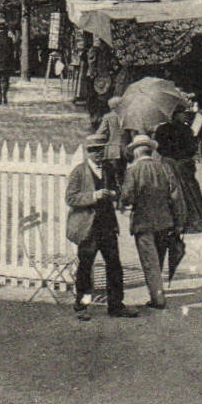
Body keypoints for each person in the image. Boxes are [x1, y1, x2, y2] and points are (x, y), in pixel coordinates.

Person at [66, 134, 140, 320]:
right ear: (87, 152)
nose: (98, 154)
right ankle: (82, 306)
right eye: (93, 150)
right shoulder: (79, 172)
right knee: (85, 267)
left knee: (114, 266)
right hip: (88, 228)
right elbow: (70, 198)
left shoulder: (108, 169)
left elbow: (118, 189)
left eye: (100, 149)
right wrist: (94, 196)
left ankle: (115, 305)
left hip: (107, 226)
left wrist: (114, 194)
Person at [118, 133, 184, 310]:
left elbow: (127, 196)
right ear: (150, 151)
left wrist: (123, 202)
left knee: (149, 261)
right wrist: (178, 221)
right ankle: (157, 292)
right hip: (164, 221)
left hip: (143, 222)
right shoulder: (164, 168)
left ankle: (158, 298)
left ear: (136, 152)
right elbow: (176, 196)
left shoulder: (133, 171)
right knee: (159, 258)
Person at [153, 100, 202, 239]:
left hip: (169, 165)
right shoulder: (185, 129)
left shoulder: (161, 129)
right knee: (190, 193)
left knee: (174, 194)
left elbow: (159, 148)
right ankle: (195, 221)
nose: (185, 116)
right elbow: (192, 148)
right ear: (175, 114)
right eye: (183, 113)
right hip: (183, 165)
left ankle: (177, 222)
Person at [90, 95, 126, 191]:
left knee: (110, 175)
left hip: (112, 149)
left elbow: (100, 131)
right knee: (122, 175)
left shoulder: (108, 117)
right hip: (123, 148)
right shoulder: (125, 116)